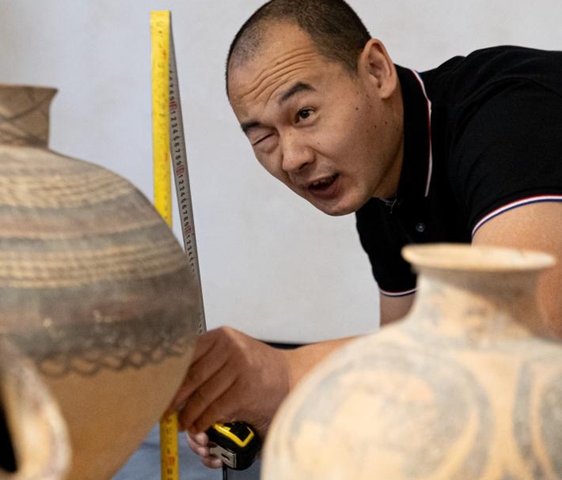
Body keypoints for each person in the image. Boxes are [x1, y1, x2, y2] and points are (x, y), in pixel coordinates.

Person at [168, 0, 562, 469]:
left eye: (304, 113)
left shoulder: (509, 111)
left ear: (376, 71)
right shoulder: (379, 191)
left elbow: (521, 341)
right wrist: (265, 409)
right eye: (263, 138)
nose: (291, 158)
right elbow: (413, 383)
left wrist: (288, 374)